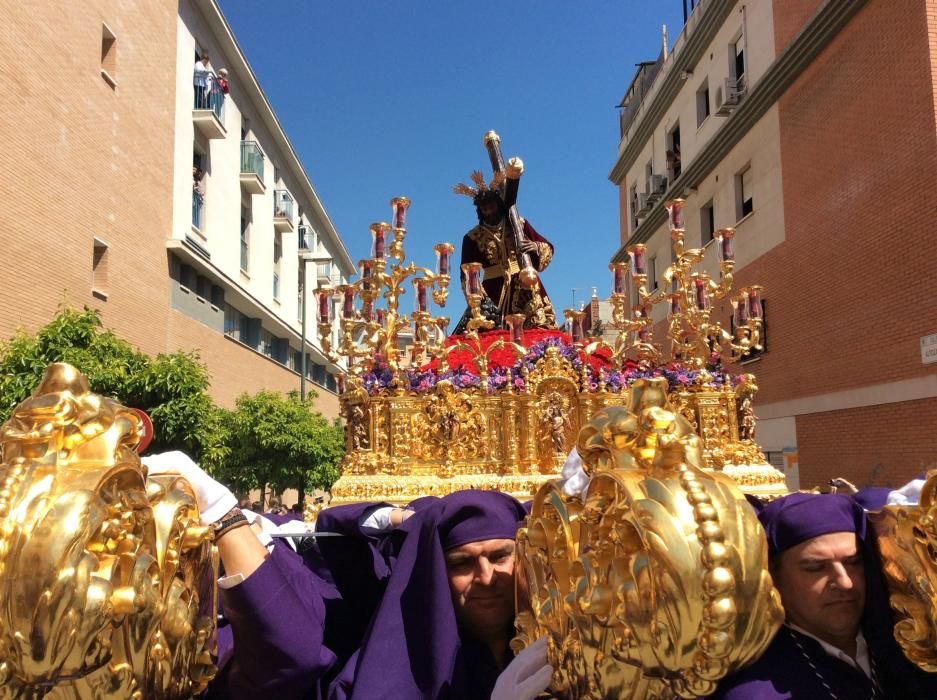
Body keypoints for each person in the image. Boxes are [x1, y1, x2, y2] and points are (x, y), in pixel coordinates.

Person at [330, 490, 553, 700]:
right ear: (436, 571)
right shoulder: (388, 672)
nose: (486, 577)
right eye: (462, 563)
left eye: (499, 557)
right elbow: (335, 526)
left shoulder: (557, 640)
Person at [711, 492, 937, 699]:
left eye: (853, 562)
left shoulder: (907, 650)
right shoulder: (755, 693)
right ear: (773, 577)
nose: (845, 582)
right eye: (815, 568)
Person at [454, 186, 557, 333]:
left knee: (537, 327)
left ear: (498, 204)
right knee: (491, 331)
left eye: (491, 206)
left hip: (524, 283)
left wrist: (535, 246)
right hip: (492, 290)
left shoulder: (518, 224)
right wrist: (478, 299)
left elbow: (547, 246)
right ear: (480, 210)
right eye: (484, 209)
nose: (489, 211)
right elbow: (467, 273)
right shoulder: (472, 237)